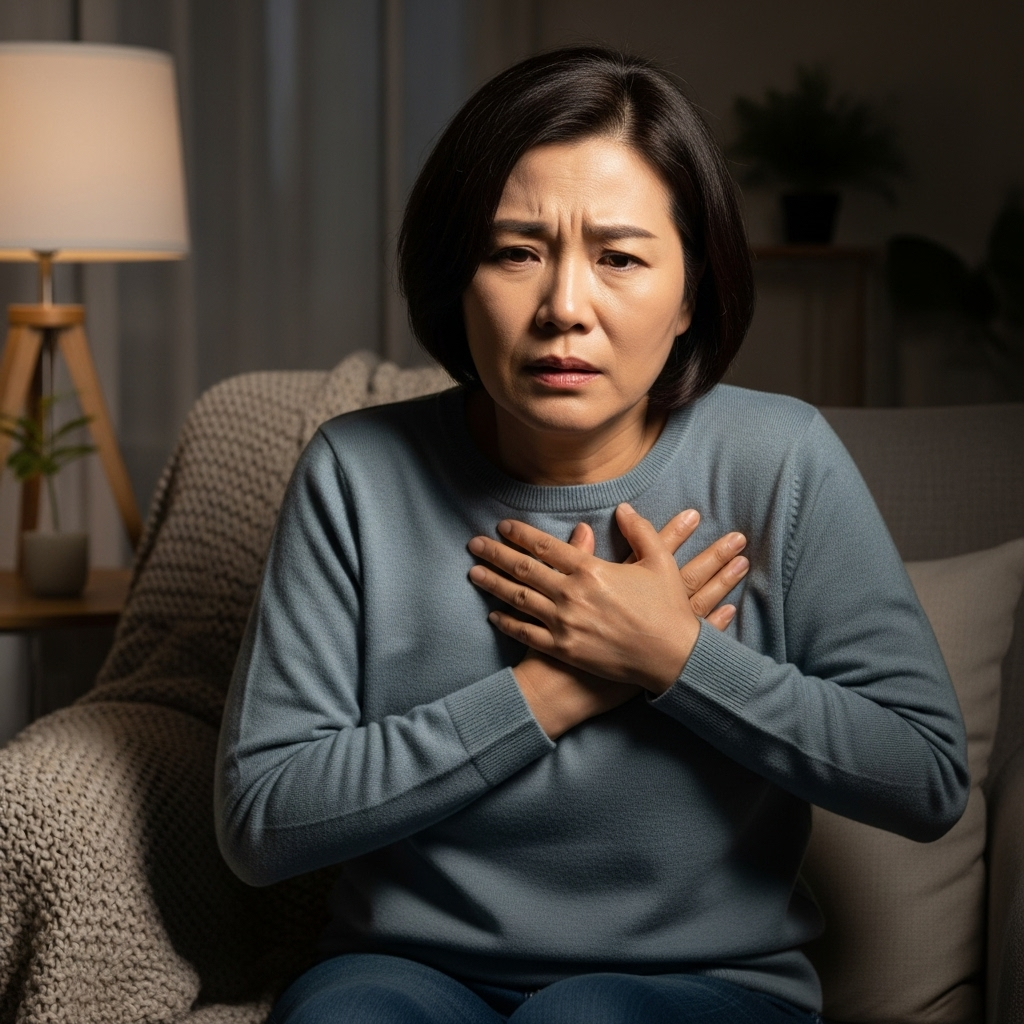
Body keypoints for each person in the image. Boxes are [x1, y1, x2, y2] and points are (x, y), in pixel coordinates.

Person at [214, 47, 969, 1024]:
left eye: (618, 257)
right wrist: (556, 686)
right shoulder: (356, 471)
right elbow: (262, 816)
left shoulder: (778, 457)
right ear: (458, 278)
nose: (564, 307)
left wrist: (673, 656)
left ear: (691, 290)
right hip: (405, 974)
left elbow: (927, 773)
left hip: (708, 987)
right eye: (516, 251)